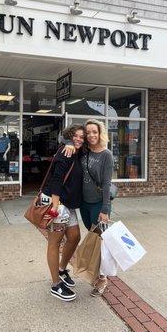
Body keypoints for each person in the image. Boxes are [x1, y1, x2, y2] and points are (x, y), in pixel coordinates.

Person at [62, 119, 114, 297]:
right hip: (84, 203)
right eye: (88, 133)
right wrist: (68, 143)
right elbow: (66, 139)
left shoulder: (106, 154)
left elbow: (107, 183)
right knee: (92, 238)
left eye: (95, 132)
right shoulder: (83, 151)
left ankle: (102, 279)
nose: (91, 135)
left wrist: (105, 209)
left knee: (99, 241)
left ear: (100, 133)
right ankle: (95, 273)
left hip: (99, 204)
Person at [42, 125, 85, 302]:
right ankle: (55, 285)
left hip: (69, 204)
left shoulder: (77, 152)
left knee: (74, 236)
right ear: (69, 136)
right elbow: (57, 179)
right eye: (75, 136)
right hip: (58, 203)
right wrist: (54, 205)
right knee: (55, 241)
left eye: (82, 137)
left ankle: (61, 270)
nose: (79, 139)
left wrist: (70, 143)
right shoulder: (65, 152)